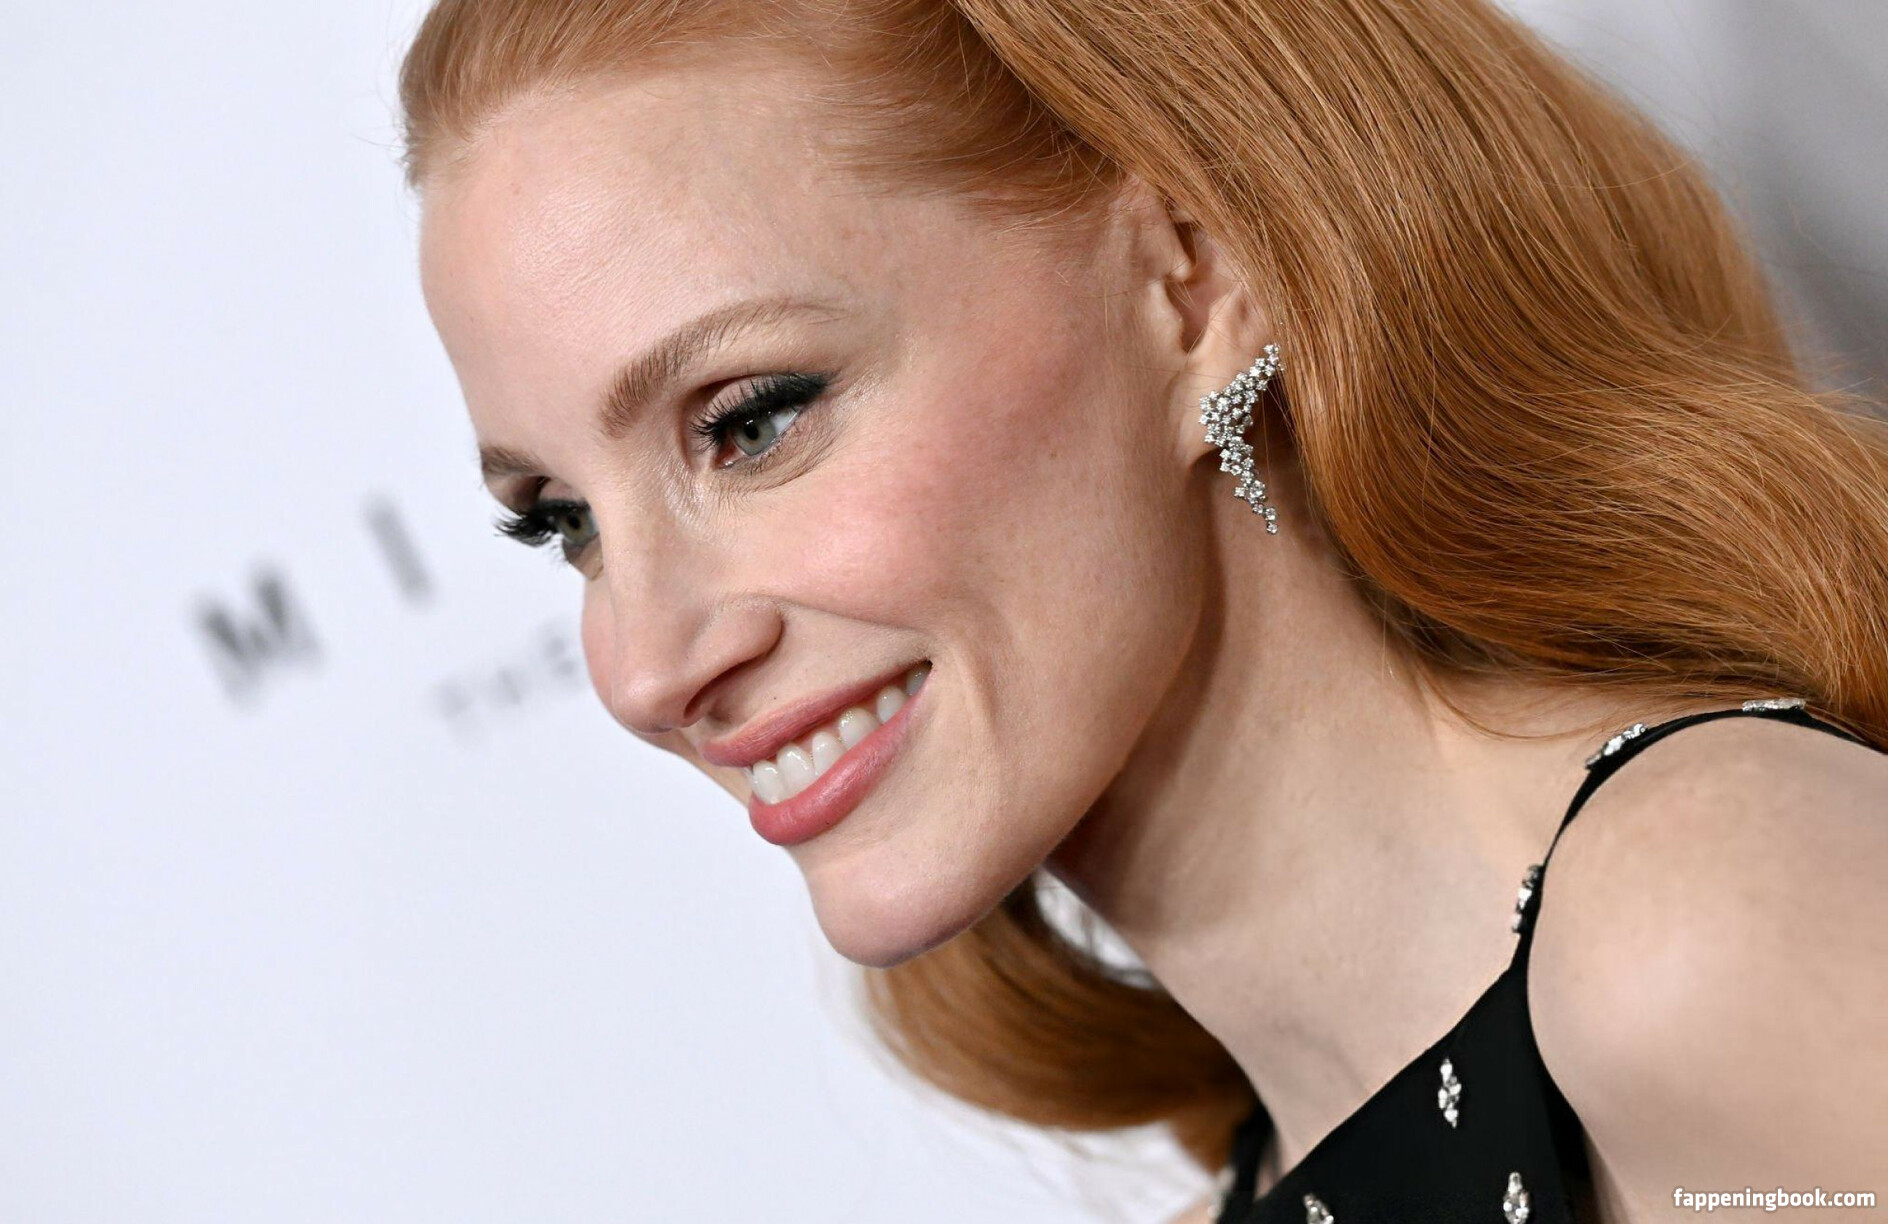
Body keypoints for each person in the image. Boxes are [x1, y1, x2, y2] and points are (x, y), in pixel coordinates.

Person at [395, 1, 1888, 1219]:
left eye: (755, 420)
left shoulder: (1712, 937)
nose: (645, 665)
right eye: (564, 523)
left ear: (1194, 285)